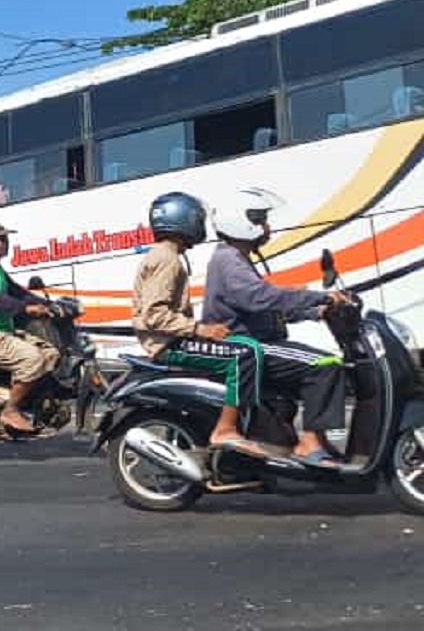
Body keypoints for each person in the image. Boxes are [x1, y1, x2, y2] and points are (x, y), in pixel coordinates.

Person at [203, 188, 350, 467]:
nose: (267, 226)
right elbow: (259, 298)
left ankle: (312, 439)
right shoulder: (228, 259)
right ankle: (309, 443)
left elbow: (263, 307)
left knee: (320, 364)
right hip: (247, 344)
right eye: (260, 219)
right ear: (241, 221)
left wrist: (313, 312)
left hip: (259, 341)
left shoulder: (236, 257)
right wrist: (319, 297)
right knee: (325, 364)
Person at [132, 192, 263, 452]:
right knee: (246, 353)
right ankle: (227, 429)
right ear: (184, 220)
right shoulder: (167, 259)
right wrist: (200, 329)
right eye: (197, 219)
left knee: (242, 345)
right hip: (169, 346)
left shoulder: (164, 255)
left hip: (171, 341)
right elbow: (154, 314)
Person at [0, 221, 59, 434]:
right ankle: (10, 410)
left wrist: (50, 304)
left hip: (3, 333)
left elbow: (17, 292)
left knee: (50, 353)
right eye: (0, 238)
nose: (5, 242)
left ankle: (30, 403)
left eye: (5, 237)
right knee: (33, 359)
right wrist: (27, 309)